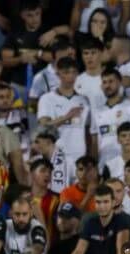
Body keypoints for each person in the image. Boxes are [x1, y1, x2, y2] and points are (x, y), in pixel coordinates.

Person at [38, 57, 95, 190]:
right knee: (58, 194)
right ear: (58, 74)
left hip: (79, 157)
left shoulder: (84, 100)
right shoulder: (47, 99)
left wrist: (91, 157)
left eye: (74, 72)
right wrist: (66, 117)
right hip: (58, 156)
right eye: (66, 72)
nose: (70, 76)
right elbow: (43, 127)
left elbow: (88, 132)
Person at [59, 185, 130, 254]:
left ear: (113, 202)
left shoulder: (122, 220)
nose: (102, 206)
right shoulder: (90, 223)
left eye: (106, 202)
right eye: (98, 202)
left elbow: (122, 250)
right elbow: (78, 252)